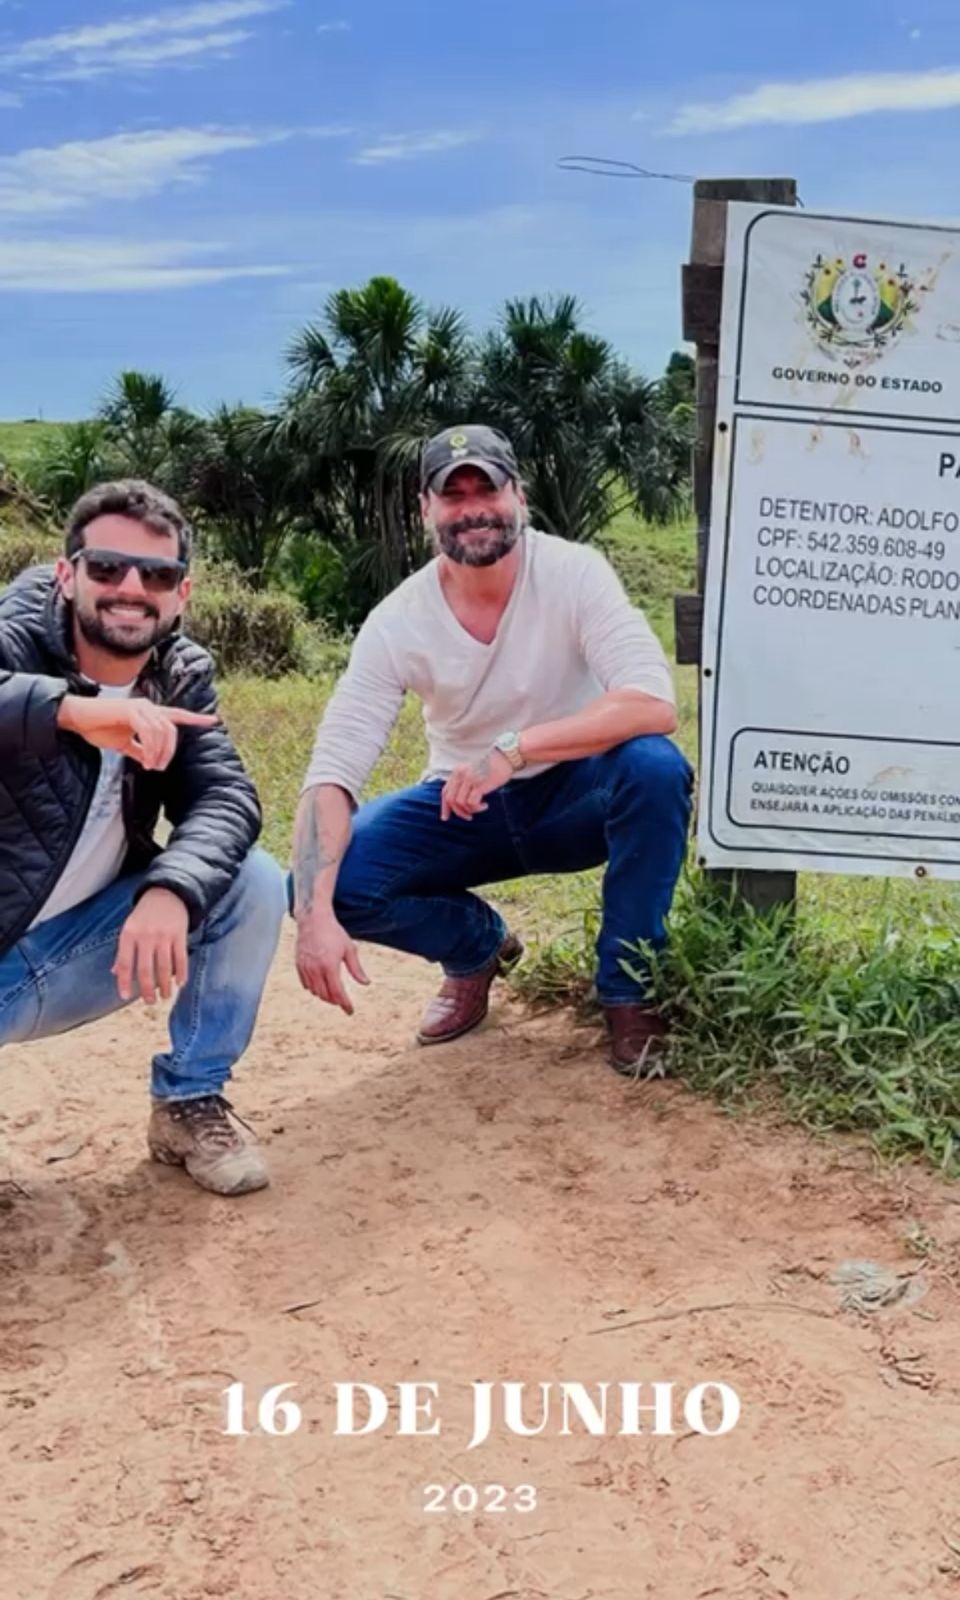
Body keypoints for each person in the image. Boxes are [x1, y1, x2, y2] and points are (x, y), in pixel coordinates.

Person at [292, 424, 693, 1075]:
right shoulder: (398, 620)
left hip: (575, 796)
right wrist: (310, 917)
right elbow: (334, 770)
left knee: (653, 768)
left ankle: (627, 991)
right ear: (426, 510)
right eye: (453, 495)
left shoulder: (573, 573)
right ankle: (478, 948)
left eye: (489, 487)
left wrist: (514, 748)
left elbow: (653, 701)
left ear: (520, 498)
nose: (473, 508)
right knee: (327, 880)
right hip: (464, 808)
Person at [0, 480, 286, 1195]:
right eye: (106, 567)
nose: (131, 588)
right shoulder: (14, 643)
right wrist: (69, 712)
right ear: (67, 576)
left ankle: (189, 1101)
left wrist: (172, 888)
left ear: (181, 594)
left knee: (249, 880)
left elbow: (225, 795)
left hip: (72, 953)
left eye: (155, 574)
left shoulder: (178, 675)